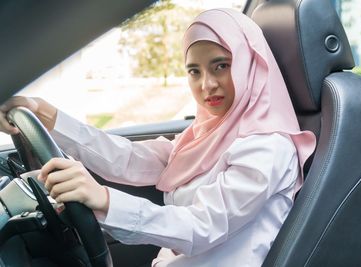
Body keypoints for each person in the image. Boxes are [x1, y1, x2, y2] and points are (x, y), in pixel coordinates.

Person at [0, 8, 316, 267]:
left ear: (249, 67)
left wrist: (105, 200)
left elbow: (201, 226)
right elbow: (130, 159)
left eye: (221, 66)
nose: (207, 85)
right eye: (194, 71)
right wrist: (44, 114)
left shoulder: (267, 147)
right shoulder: (208, 132)